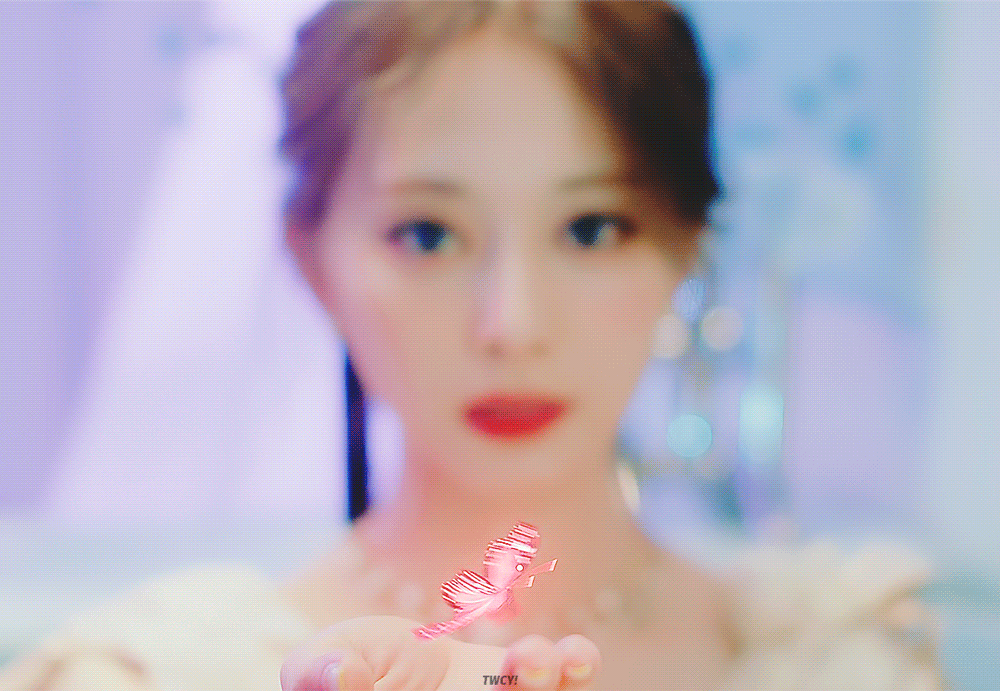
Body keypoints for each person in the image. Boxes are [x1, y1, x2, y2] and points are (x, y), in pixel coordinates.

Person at [0, 2, 949, 689]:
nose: (513, 323)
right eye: (428, 234)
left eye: (592, 228)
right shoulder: (164, 669)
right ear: (313, 260)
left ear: (685, 248)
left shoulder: (837, 657)